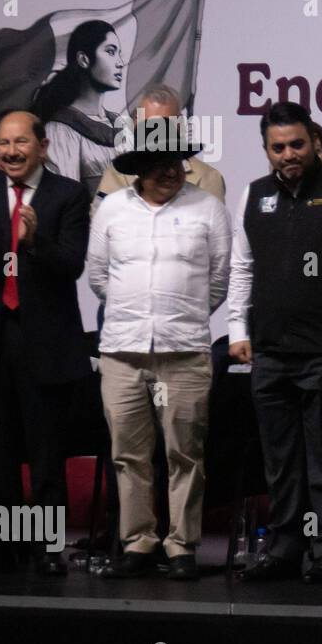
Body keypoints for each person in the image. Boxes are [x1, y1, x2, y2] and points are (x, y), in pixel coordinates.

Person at [230, 101, 322, 584]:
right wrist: (237, 329)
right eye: (278, 147)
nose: (289, 153)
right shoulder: (253, 195)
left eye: (297, 144)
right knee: (280, 462)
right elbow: (242, 266)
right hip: (271, 350)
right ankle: (283, 550)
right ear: (266, 150)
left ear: (314, 141)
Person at [87, 133, 231, 580]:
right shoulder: (112, 209)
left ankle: (182, 547)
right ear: (138, 169)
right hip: (122, 352)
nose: (170, 170)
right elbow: (98, 276)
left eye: (176, 161)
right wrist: (138, 313)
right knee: (128, 455)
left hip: (184, 352)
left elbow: (220, 278)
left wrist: (176, 314)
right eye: (158, 163)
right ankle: (139, 543)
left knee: (184, 454)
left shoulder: (208, 208)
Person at [0, 110, 91, 575]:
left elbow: (71, 266)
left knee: (45, 454)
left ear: (42, 146)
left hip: (45, 342)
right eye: (2, 145)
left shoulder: (69, 195)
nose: (11, 152)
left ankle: (45, 548)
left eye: (20, 143)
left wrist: (33, 242)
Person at [92, 84, 226, 212]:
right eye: (148, 123)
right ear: (135, 122)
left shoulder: (207, 177)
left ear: (179, 125)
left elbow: (214, 228)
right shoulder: (115, 173)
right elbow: (99, 223)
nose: (155, 132)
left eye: (164, 123)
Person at [34, 20, 127, 197]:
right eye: (110, 52)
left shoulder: (120, 124)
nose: (120, 63)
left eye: (119, 54)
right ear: (84, 59)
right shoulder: (60, 130)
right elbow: (65, 201)